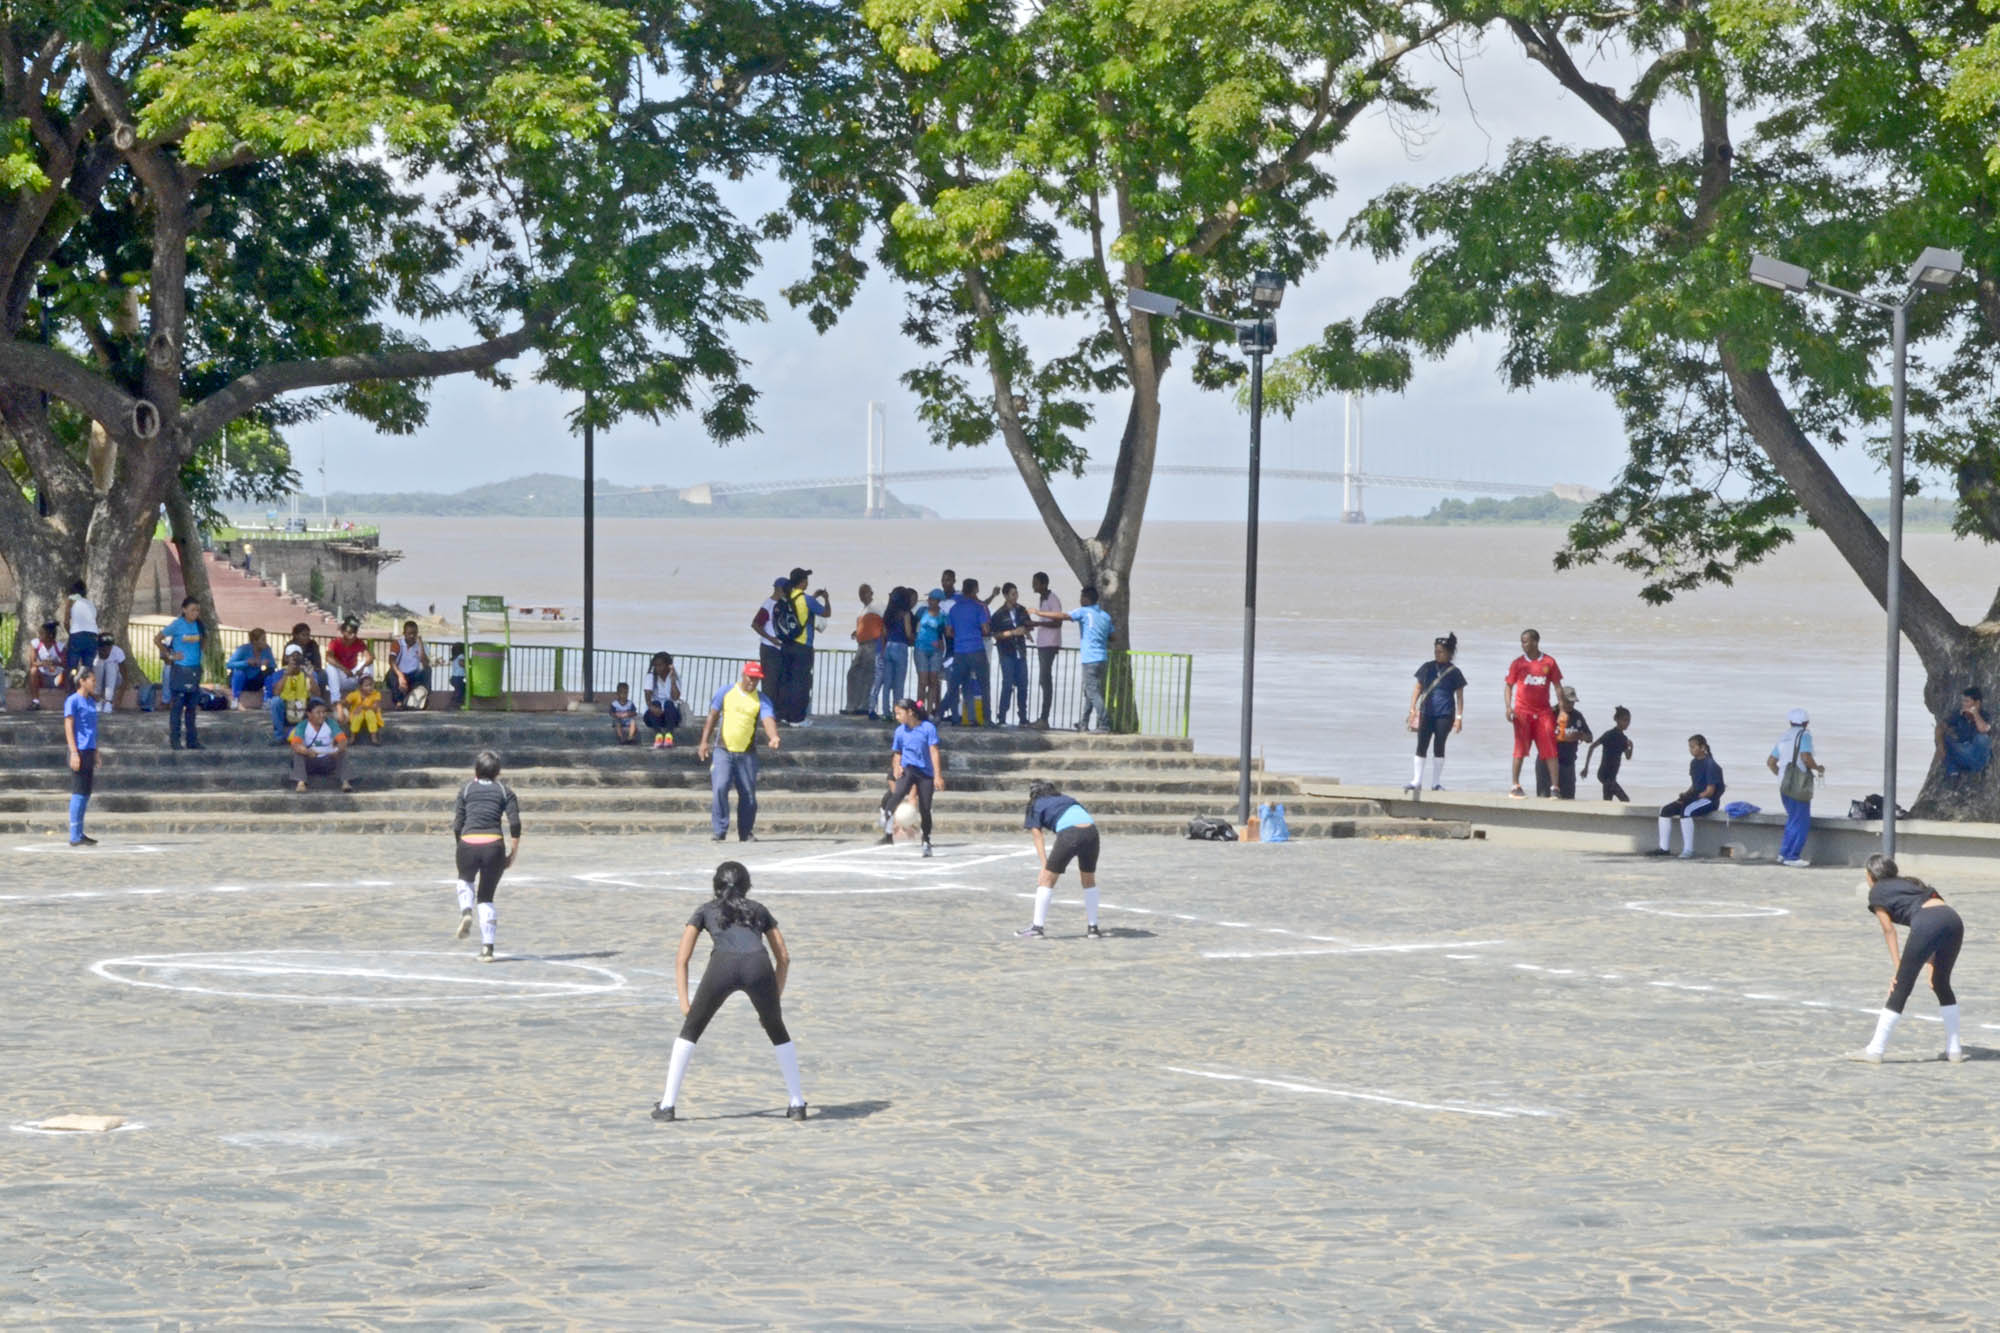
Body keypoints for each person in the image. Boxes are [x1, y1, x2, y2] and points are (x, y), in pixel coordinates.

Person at [652, 861, 807, 1122]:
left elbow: (682, 959)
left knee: (690, 1031)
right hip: (758, 965)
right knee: (777, 1030)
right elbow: (784, 957)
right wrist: (773, 1000)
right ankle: (797, 1103)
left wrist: (684, 1003)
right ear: (747, 886)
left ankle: (667, 1106)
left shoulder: (704, 911)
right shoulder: (759, 910)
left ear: (716, 885)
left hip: (722, 965)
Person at [1848, 854, 1966, 1064]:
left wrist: (1898, 968)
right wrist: (1932, 961)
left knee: (1901, 987)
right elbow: (1938, 914)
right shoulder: (1911, 883)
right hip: (1953, 919)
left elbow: (1888, 930)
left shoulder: (1876, 892)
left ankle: (1875, 1050)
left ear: (1870, 876)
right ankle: (1954, 1049)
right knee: (1940, 982)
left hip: (1928, 924)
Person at [452, 749, 522, 963]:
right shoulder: (504, 791)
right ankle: (487, 949)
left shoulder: (466, 790)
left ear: (476, 769)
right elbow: (515, 824)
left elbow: (457, 824)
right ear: (497, 772)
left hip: (468, 843)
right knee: (486, 898)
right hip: (494, 846)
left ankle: (465, 910)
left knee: (465, 880)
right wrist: (512, 853)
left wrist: (461, 846)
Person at [698, 662, 781, 842]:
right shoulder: (725, 692)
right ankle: (719, 830)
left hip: (747, 753)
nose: (753, 682)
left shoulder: (762, 699)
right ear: (743, 675)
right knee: (720, 787)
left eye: (757, 679)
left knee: (748, 794)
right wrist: (704, 742)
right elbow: (712, 716)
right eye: (751, 677)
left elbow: (768, 719)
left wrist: (773, 736)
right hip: (723, 749)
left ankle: (746, 832)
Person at [1016, 781, 1102, 939]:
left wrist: (1044, 865)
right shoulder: (1067, 798)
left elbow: (1037, 835)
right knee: (1089, 880)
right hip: (1091, 832)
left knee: (1047, 880)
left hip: (1070, 834)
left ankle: (1037, 928)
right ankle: (1093, 928)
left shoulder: (1034, 804)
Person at [1031, 585, 1114, 732]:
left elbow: (1063, 616)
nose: (1080, 600)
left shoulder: (1084, 612)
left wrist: (1038, 613)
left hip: (1090, 659)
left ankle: (1104, 724)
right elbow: (1112, 636)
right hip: (1102, 658)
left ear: (1086, 599)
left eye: (1081, 597)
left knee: (1093, 692)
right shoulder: (1105, 616)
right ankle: (1084, 723)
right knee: (1090, 691)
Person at [1502, 629, 1562, 798]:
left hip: (1544, 713)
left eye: (1526, 641)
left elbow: (1557, 687)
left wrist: (1563, 710)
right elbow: (1508, 686)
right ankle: (1515, 786)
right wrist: (1508, 707)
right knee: (1520, 749)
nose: (1523, 645)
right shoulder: (1517, 664)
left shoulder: (1549, 662)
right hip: (1523, 713)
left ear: (1535, 642)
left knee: (1550, 750)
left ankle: (1555, 788)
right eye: (1522, 641)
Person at [1404, 633, 1465, 794]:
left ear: (1449, 653)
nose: (1437, 654)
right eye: (1435, 651)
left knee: (1439, 745)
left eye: (1440, 652)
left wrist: (1459, 718)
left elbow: (1459, 697)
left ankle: (1436, 783)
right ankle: (1416, 781)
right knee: (1421, 745)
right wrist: (1412, 709)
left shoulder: (1455, 672)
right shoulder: (1427, 667)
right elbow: (1417, 688)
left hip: (1445, 714)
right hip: (1426, 712)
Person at [1767, 707, 1827, 867]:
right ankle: (1792, 857)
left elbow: (1770, 762)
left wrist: (1782, 776)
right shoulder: (1805, 735)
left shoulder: (1784, 736)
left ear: (1790, 722)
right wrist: (1817, 768)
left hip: (1783, 784)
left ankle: (1783, 853)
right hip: (1798, 785)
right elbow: (1805, 757)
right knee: (1801, 821)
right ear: (1806, 723)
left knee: (1792, 818)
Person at [1648, 734, 1723, 859]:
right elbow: (1694, 785)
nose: (1690, 750)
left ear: (1702, 747)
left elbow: (1710, 791)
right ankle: (1663, 848)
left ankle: (1688, 850)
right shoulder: (1694, 763)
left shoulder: (1710, 765)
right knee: (1665, 810)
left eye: (1693, 747)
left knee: (1686, 810)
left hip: (1709, 800)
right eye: (1689, 747)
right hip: (1696, 797)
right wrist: (1685, 795)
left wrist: (1694, 798)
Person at [886, 698, 944, 857]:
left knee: (925, 808)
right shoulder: (899, 731)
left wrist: (938, 775)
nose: (897, 717)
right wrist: (897, 766)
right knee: (898, 793)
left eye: (899, 713)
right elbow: (897, 752)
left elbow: (934, 751)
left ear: (910, 712)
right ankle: (888, 819)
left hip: (925, 773)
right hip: (908, 769)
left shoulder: (928, 728)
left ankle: (926, 839)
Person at [778, 568, 829, 726]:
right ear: (802, 582)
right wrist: (826, 599)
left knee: (788, 681)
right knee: (801, 683)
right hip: (803, 646)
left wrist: (814, 596)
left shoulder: (787, 597)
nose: (808, 581)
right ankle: (798, 719)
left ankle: (786, 715)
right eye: (806, 579)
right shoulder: (807, 599)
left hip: (786, 645)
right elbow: (826, 613)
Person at [155, 596, 206, 749]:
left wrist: (200, 654)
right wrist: (170, 655)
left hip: (194, 669)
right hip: (180, 669)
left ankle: (192, 740)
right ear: (184, 610)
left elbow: (204, 639)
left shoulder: (199, 625)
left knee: (192, 708)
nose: (195, 613)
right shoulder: (177, 625)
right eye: (192, 610)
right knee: (177, 707)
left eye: (197, 610)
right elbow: (158, 638)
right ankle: (175, 739)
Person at [944, 575, 992, 726]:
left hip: (959, 651)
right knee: (983, 685)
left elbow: (949, 632)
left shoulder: (954, 607)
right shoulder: (979, 607)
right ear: (976, 589)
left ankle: (949, 716)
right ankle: (985, 719)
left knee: (957, 686)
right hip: (977, 649)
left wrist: (961, 634)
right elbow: (985, 630)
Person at [63, 664, 100, 847]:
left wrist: (96, 751)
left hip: (89, 750)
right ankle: (74, 834)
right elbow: (69, 726)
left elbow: (93, 729)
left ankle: (80, 831)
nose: (94, 683)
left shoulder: (91, 702)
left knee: (85, 793)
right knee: (78, 792)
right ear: (82, 681)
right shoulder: (73, 701)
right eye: (92, 680)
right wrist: (73, 752)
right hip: (79, 750)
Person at [990, 583, 1034, 727]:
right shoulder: (998, 614)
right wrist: (1013, 633)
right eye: (1013, 594)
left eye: (1017, 593)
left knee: (1023, 685)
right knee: (1007, 685)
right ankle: (1002, 717)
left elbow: (1027, 625)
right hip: (1006, 652)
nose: (1016, 596)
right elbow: (995, 635)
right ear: (1006, 595)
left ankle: (1023, 717)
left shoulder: (1021, 610)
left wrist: (1027, 631)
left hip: (1020, 652)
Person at [287, 698, 352, 793]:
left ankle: (345, 782)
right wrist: (306, 751)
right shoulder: (303, 725)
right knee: (298, 754)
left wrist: (338, 749)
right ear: (309, 714)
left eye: (324, 712)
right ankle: (301, 782)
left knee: (343, 753)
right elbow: (295, 744)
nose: (322, 715)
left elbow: (342, 740)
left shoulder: (331, 723)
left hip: (328, 760)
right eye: (318, 712)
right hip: (310, 761)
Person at [872, 587, 915, 721]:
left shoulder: (888, 613)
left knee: (887, 682)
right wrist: (914, 638)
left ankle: (886, 712)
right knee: (899, 684)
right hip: (900, 647)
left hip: (888, 647)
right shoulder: (905, 614)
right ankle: (899, 713)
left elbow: (884, 633)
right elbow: (908, 633)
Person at [1936, 685, 1992, 779]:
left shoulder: (1984, 715)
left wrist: (1975, 713)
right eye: (1963, 701)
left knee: (1982, 738)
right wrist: (1940, 745)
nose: (1964, 704)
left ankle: (1974, 768)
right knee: (1943, 738)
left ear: (1977, 703)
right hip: (1964, 755)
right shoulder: (1959, 715)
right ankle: (1953, 771)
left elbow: (1983, 729)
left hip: (1979, 757)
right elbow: (1940, 727)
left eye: (1967, 701)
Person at [750, 575, 792, 695]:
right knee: (770, 683)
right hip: (770, 649)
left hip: (782, 649)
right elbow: (755, 624)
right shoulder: (768, 605)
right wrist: (770, 638)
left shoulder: (785, 604)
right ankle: (768, 710)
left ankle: (779, 710)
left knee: (782, 683)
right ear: (780, 589)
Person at [845, 584, 884, 715]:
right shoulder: (862, 610)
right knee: (853, 674)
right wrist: (857, 632)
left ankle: (865, 706)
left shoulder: (878, 606)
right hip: (861, 645)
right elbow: (865, 625)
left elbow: (885, 621)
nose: (862, 595)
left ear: (871, 593)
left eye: (865, 592)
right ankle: (852, 705)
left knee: (868, 675)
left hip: (873, 644)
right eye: (860, 593)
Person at [95, 635, 157, 714]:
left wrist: (119, 697)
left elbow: (125, 676)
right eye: (104, 648)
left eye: (109, 647)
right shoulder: (94, 652)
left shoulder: (117, 652)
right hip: (98, 682)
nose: (107, 650)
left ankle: (108, 702)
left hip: (114, 681)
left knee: (111, 665)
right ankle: (97, 701)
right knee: (98, 663)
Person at [1032, 571, 1063, 728]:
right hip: (1043, 644)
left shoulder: (1053, 599)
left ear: (1044, 584)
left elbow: (1058, 623)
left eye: (1036, 583)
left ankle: (1044, 718)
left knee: (1046, 680)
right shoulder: (1043, 598)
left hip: (1049, 644)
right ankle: (1043, 718)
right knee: (1043, 680)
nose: (1033, 585)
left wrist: (1037, 624)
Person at [1583, 706, 1633, 801]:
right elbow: (1592, 746)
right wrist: (1586, 768)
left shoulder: (1623, 739)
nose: (1627, 723)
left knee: (1607, 801)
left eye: (1628, 721)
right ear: (1617, 719)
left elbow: (1628, 756)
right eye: (1624, 720)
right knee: (1625, 800)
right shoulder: (1609, 734)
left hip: (1612, 777)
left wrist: (1632, 746)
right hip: (1604, 774)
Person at [1551, 687, 1592, 799]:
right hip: (1550, 764)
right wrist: (1567, 737)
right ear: (1560, 699)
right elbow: (1544, 739)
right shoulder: (1552, 713)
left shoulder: (1578, 716)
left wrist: (1582, 736)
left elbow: (1590, 737)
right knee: (1547, 800)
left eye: (1573, 702)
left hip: (1569, 764)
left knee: (1568, 799)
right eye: (1568, 702)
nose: (1571, 705)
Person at [914, 589, 948, 717]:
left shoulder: (943, 616)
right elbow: (913, 624)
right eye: (930, 599)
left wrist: (942, 644)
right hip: (920, 648)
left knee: (933, 681)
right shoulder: (921, 612)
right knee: (922, 681)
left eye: (933, 599)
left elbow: (945, 633)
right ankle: (919, 708)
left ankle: (928, 712)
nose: (930, 601)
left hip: (936, 651)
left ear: (938, 601)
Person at [60, 581, 99, 690]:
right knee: (88, 668)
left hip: (77, 637)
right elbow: (94, 620)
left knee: (72, 666)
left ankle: (71, 691)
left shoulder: (72, 599)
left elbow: (66, 622)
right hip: (92, 637)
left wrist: (71, 634)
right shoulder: (90, 603)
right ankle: (88, 694)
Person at [226, 628, 278, 709]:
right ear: (254, 641)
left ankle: (267, 699)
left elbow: (273, 665)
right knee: (239, 672)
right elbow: (229, 664)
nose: (265, 642)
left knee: (270, 672)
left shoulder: (267, 649)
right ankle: (235, 699)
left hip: (257, 680)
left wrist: (267, 663)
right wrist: (246, 662)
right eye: (263, 640)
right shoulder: (243, 649)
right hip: (243, 680)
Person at [270, 646, 313, 741]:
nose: (296, 660)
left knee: (316, 701)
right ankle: (279, 737)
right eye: (293, 657)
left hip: (303, 709)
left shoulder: (307, 673)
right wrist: (286, 674)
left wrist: (311, 676)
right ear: (286, 658)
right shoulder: (280, 673)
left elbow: (317, 694)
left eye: (298, 657)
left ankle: (314, 735)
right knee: (275, 702)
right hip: (286, 711)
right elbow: (276, 693)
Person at [324, 618, 373, 701]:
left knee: (369, 664)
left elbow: (370, 657)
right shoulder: (335, 642)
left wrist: (362, 668)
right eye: (350, 633)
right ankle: (336, 700)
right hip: (340, 678)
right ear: (342, 632)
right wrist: (344, 669)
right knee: (330, 667)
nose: (353, 635)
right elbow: (328, 658)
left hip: (354, 676)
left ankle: (368, 696)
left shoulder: (359, 642)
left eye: (355, 633)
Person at [642, 652, 684, 747]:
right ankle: (658, 735)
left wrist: (673, 681)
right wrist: (652, 708)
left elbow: (675, 697)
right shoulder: (650, 676)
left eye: (660, 665)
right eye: (655, 665)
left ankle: (669, 736)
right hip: (655, 715)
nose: (658, 668)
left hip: (671, 716)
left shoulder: (674, 676)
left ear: (668, 665)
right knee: (655, 702)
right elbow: (648, 698)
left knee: (668, 703)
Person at [386, 621, 430, 708]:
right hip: (400, 673)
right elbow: (391, 660)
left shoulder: (421, 645)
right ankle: (399, 701)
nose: (412, 636)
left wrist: (420, 644)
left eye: (414, 633)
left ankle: (425, 696)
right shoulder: (397, 643)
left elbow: (425, 663)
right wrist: (400, 676)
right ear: (404, 634)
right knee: (391, 673)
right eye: (409, 633)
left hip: (413, 675)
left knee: (428, 670)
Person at [342, 666, 387, 745]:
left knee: (370, 713)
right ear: (360, 688)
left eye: (371, 685)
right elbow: (346, 702)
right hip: (357, 717)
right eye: (366, 686)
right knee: (358, 714)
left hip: (372, 717)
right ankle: (352, 737)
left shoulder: (376, 694)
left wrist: (362, 707)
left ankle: (374, 738)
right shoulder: (355, 694)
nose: (370, 687)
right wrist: (342, 706)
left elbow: (375, 707)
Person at [26, 621, 64, 710]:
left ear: (50, 635)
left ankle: (68, 701)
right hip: (43, 677)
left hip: (58, 678)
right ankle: (35, 701)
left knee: (70, 672)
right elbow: (32, 662)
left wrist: (53, 663)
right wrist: (43, 663)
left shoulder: (60, 646)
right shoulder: (35, 644)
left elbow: (65, 663)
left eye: (42, 633)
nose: (39, 635)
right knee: (33, 670)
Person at [287, 623, 327, 693]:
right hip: (295, 670)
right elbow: (286, 663)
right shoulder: (290, 645)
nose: (307, 637)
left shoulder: (313, 644)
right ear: (295, 635)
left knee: (322, 674)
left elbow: (318, 664)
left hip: (311, 670)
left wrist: (311, 668)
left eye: (308, 635)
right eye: (303, 635)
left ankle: (319, 696)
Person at [448, 643, 467, 709]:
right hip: (459, 677)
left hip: (454, 677)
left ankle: (453, 702)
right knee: (460, 691)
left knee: (458, 690)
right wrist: (468, 665)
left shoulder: (454, 657)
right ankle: (456, 704)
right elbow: (461, 663)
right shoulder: (461, 655)